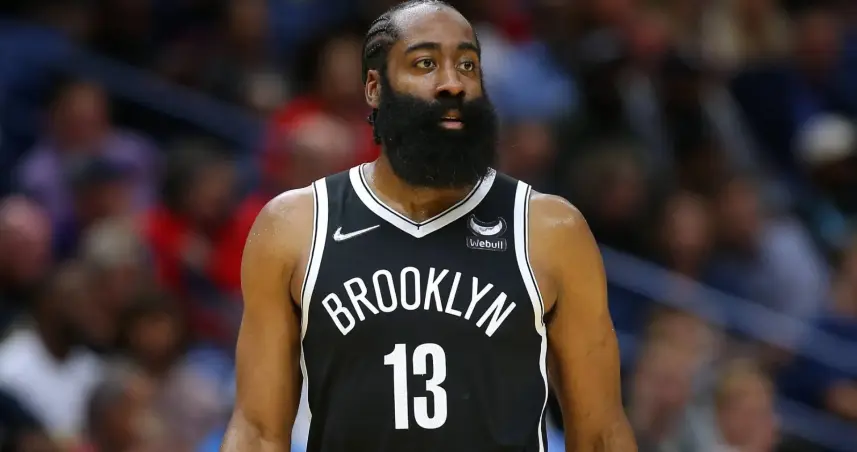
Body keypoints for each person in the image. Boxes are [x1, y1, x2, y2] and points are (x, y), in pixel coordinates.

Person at [221, 1, 636, 451]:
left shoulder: (550, 229)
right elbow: (258, 431)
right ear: (375, 88)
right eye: (425, 63)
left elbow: (600, 435)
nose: (452, 83)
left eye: (467, 65)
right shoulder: (295, 226)